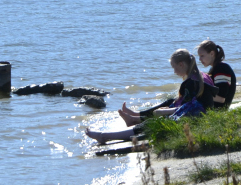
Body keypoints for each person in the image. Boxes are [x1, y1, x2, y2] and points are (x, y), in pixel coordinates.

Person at [85, 49, 213, 144]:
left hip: (197, 119)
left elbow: (190, 108)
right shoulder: (199, 77)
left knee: (153, 122)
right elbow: (191, 105)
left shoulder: (191, 83)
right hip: (202, 114)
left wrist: (166, 111)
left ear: (181, 64)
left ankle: (105, 135)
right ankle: (134, 118)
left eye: (174, 68)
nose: (174, 72)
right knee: (168, 103)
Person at [197, 40, 236, 111]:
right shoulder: (216, 68)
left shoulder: (221, 68)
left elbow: (221, 98)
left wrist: (199, 96)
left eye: (202, 56)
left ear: (212, 53)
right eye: (199, 56)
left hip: (218, 110)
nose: (199, 59)